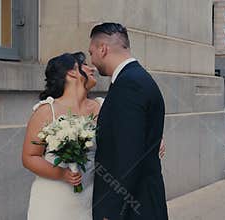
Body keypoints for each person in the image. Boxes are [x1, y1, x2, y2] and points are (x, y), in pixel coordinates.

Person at [22, 51, 166, 219]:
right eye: (85, 65)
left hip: (91, 197)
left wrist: (154, 139)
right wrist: (62, 174)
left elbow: (131, 129)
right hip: (54, 198)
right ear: (71, 72)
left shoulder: (102, 106)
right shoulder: (46, 111)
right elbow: (29, 157)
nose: (92, 69)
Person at [90, 23, 169, 220]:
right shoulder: (137, 78)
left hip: (133, 208)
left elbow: (128, 157)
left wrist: (112, 211)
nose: (91, 61)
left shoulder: (129, 85)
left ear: (103, 49)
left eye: (91, 53)